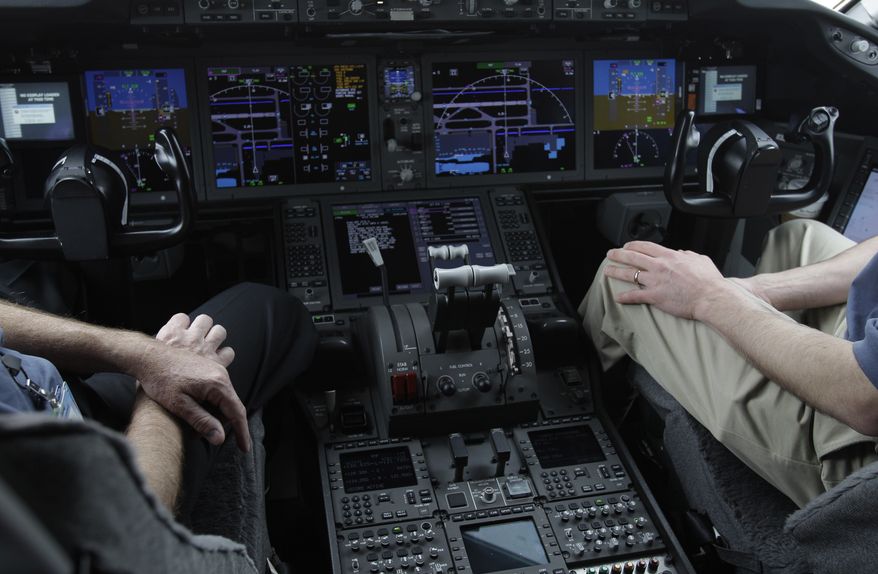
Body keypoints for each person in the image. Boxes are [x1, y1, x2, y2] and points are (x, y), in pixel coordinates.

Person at [580, 218, 878, 508]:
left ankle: (575, 437)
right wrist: (750, 294)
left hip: (855, 440)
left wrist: (711, 297)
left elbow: (863, 393)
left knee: (621, 276)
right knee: (796, 237)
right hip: (864, 344)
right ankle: (751, 376)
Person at [0, 282, 318, 518]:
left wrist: (146, 354)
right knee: (274, 313)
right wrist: (159, 392)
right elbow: (129, 530)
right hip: (92, 487)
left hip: (57, 398)